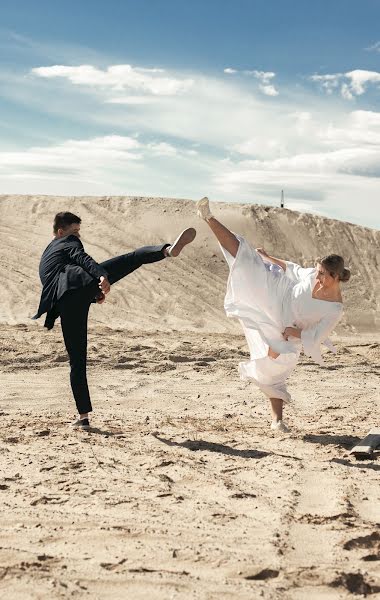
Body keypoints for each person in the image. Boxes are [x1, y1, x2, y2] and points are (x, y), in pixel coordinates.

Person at [196, 197, 350, 433]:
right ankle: (208, 217)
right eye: (317, 272)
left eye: (323, 276)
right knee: (245, 257)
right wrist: (267, 258)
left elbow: (317, 336)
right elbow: (291, 268)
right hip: (277, 292)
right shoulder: (312, 274)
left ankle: (277, 420)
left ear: (336, 277)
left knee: (275, 365)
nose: (317, 279)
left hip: (288, 330)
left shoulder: (335, 309)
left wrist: (294, 331)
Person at [33, 211, 196, 429]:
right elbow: (82, 258)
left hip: (65, 303)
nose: (77, 236)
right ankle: (167, 251)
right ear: (61, 232)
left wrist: (92, 294)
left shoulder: (48, 253)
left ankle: (83, 418)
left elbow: (60, 282)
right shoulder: (68, 242)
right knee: (133, 258)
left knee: (77, 361)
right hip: (79, 285)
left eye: (79, 232)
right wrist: (100, 276)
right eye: (74, 232)